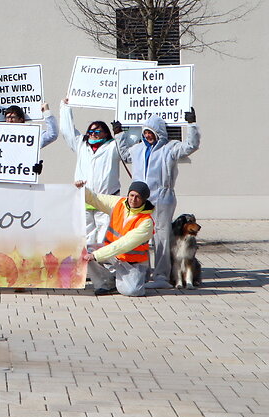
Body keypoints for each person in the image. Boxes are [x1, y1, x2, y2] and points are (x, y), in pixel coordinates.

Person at [116, 110, 200, 289]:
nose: (148, 135)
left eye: (151, 132)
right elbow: (124, 154)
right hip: (140, 200)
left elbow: (190, 146)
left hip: (162, 198)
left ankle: (161, 275)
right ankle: (143, 272)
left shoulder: (170, 148)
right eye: (146, 132)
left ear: (159, 133)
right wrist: (119, 134)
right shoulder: (138, 148)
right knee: (140, 237)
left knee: (161, 238)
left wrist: (191, 125)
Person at [59, 99, 122, 246]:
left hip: (105, 199)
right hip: (85, 199)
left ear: (106, 133)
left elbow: (128, 144)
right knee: (86, 237)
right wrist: (65, 108)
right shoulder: (81, 145)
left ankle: (103, 268)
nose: (93, 134)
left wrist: (120, 132)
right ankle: (88, 268)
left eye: (97, 131)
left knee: (104, 237)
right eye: (91, 131)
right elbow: (67, 131)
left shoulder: (113, 147)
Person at [76, 180, 155, 297]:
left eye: (138, 197)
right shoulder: (118, 203)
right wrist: (82, 189)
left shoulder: (146, 222)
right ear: (128, 195)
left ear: (144, 200)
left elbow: (123, 244)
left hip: (133, 263)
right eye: (131, 195)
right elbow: (95, 199)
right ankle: (107, 285)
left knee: (133, 291)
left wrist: (96, 255)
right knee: (86, 251)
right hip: (114, 257)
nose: (133, 199)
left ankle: (140, 277)